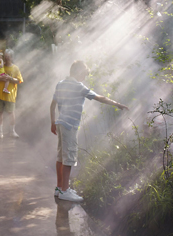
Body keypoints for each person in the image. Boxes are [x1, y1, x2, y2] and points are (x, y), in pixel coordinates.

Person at [50, 60, 128, 202]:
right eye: (85, 74)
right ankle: (65, 191)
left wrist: (52, 122)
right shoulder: (79, 86)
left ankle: (59, 188)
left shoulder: (60, 84)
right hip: (70, 125)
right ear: (79, 72)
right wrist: (117, 104)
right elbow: (99, 98)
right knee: (69, 157)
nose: (85, 77)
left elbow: (52, 105)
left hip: (60, 123)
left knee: (61, 156)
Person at [0, 49, 23, 138]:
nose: (7, 58)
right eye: (6, 56)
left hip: (10, 95)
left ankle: (12, 131)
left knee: (11, 113)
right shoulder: (0, 66)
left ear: (12, 57)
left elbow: (19, 80)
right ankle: (0, 133)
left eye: (9, 56)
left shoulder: (15, 68)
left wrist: (10, 78)